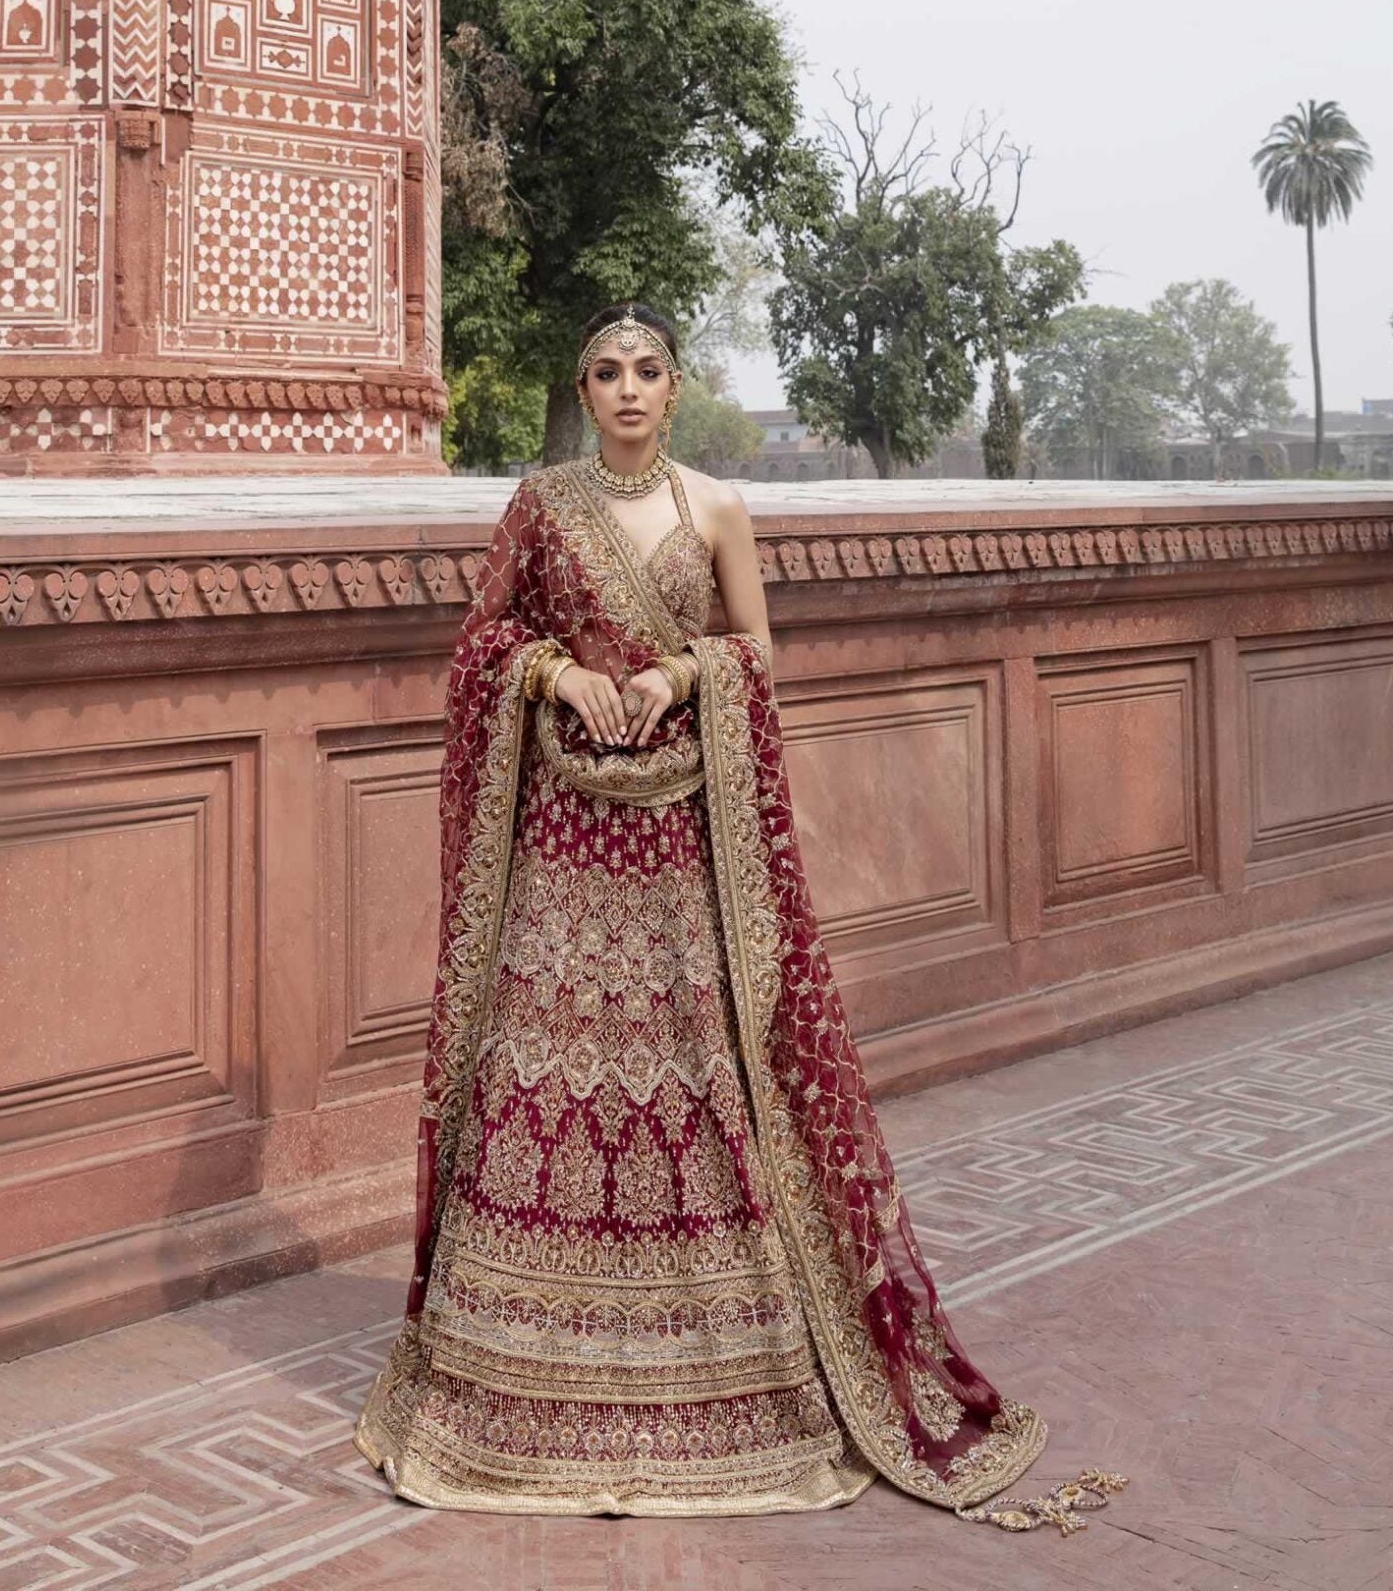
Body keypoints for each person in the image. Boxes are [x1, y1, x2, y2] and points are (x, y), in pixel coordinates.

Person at [357, 304, 1124, 1532]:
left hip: (681, 843)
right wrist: (558, 673)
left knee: (695, 1073)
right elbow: (480, 644)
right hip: (563, 848)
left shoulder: (716, 507)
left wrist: (676, 671)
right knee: (547, 1076)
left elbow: (757, 651)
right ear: (584, 385)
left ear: (675, 386)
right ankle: (511, 1370)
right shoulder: (541, 505)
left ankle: (723, 1359)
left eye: (646, 370)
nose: (625, 389)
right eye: (604, 371)